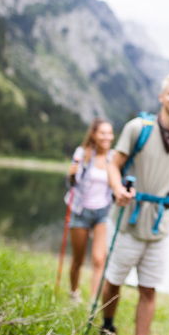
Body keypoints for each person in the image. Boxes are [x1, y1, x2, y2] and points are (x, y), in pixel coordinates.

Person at [99, 73, 169, 335]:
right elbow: (113, 165)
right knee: (114, 280)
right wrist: (117, 188)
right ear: (162, 97)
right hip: (127, 218)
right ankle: (107, 325)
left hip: (159, 224)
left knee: (149, 287)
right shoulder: (137, 128)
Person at [65, 117, 115, 303]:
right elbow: (71, 183)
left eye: (109, 133)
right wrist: (70, 176)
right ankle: (74, 293)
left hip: (103, 212)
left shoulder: (113, 157)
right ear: (93, 134)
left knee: (99, 259)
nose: (107, 137)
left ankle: (94, 301)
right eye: (103, 133)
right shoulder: (82, 153)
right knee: (78, 259)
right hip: (80, 210)